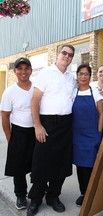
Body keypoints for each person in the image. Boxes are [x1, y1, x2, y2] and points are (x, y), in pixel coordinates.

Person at [27, 44, 77, 216]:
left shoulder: (71, 78)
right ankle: (35, 198)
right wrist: (37, 125)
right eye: (64, 53)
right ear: (58, 54)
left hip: (65, 124)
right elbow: (34, 101)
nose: (66, 56)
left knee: (62, 164)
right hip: (47, 123)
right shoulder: (45, 73)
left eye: (70, 55)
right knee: (41, 163)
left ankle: (53, 197)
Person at [1, 58, 35, 211]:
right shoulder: (9, 92)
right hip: (19, 132)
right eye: (19, 68)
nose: (23, 71)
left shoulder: (37, 88)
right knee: (18, 167)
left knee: (38, 163)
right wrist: (10, 139)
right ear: (14, 71)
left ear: (31, 70)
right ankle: (21, 195)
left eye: (26, 68)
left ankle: (38, 190)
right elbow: (5, 117)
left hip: (36, 131)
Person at [72, 64, 103, 207]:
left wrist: (99, 133)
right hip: (77, 135)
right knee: (80, 166)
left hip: (92, 135)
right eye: (80, 74)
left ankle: (92, 193)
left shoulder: (96, 93)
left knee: (91, 166)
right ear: (77, 76)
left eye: (86, 74)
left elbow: (100, 114)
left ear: (90, 76)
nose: (83, 77)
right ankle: (83, 193)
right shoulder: (73, 92)